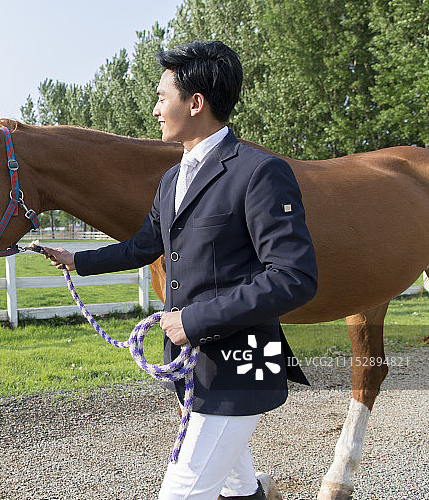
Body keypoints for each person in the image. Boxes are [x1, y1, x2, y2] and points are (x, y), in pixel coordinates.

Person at [43, 41, 318, 500]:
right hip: (192, 365)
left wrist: (191, 321)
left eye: (160, 97)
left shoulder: (260, 173)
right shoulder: (173, 178)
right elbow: (147, 245)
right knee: (236, 481)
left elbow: (294, 277)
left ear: (195, 103)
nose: (154, 110)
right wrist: (80, 262)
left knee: (183, 492)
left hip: (238, 365)